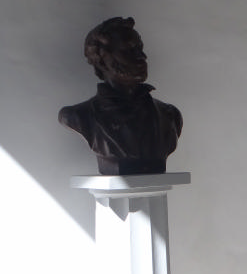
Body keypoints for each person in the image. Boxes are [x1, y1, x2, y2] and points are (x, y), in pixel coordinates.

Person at [58, 16, 182, 175]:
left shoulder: (170, 115)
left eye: (140, 48)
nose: (142, 57)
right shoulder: (77, 116)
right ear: (102, 60)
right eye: (128, 51)